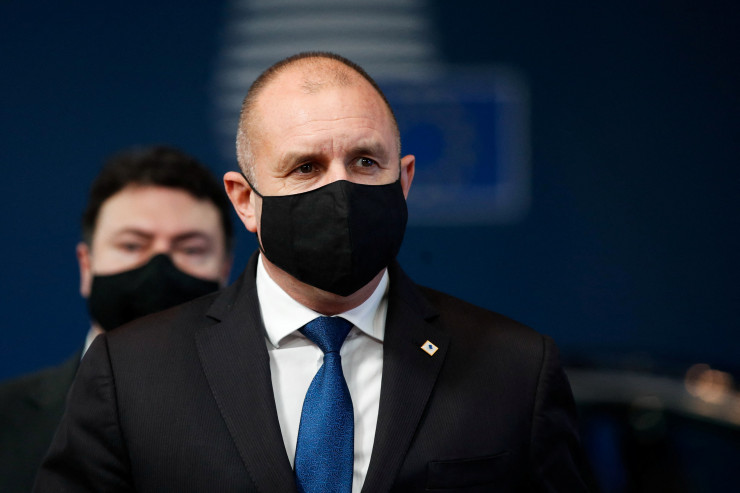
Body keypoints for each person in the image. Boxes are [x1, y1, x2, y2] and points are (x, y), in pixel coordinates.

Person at [34, 53, 590, 492]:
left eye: (365, 162)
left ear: (404, 181)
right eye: (305, 167)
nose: (340, 189)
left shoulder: (515, 369)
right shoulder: (131, 373)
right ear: (245, 200)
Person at [0, 145, 233, 493]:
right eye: (132, 245)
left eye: (190, 249)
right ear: (86, 266)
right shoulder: (6, 418)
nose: (159, 268)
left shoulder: (270, 417)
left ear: (225, 271)